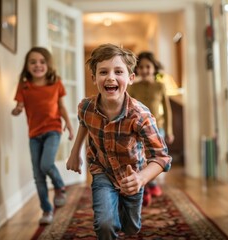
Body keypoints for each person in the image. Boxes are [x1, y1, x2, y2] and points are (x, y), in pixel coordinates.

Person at [66, 43, 172, 239]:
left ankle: (126, 213)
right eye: (103, 72)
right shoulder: (86, 106)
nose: (110, 77)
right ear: (94, 78)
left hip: (132, 174)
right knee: (105, 223)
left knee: (131, 227)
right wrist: (75, 153)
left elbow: (161, 157)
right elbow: (84, 123)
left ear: (130, 78)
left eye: (118, 71)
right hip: (102, 170)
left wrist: (141, 179)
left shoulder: (140, 116)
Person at [11, 47, 74, 225]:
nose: (37, 65)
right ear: (27, 66)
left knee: (46, 164)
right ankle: (47, 210)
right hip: (34, 134)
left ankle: (60, 186)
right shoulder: (24, 85)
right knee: (38, 175)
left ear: (48, 64)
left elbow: (61, 107)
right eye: (33, 62)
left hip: (53, 129)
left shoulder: (56, 83)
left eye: (42, 61)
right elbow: (20, 106)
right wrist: (17, 110)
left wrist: (69, 125)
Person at [127, 51, 174, 207]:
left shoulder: (160, 86)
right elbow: (128, 107)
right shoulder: (133, 87)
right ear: (137, 70)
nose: (145, 70)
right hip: (138, 129)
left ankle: (151, 184)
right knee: (141, 160)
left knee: (155, 159)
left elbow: (167, 110)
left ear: (154, 68)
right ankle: (146, 190)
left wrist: (169, 130)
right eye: (141, 67)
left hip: (157, 128)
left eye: (148, 66)